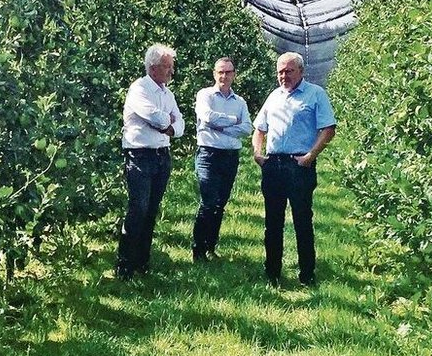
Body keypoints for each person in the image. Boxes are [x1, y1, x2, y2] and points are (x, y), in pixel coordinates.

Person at [252, 52, 336, 287]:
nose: (284, 76)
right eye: (280, 71)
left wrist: (310, 156)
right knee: (273, 222)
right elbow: (259, 128)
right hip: (274, 165)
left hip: (299, 166)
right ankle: (272, 273)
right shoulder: (274, 96)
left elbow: (328, 129)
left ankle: (307, 274)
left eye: (289, 71)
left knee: (302, 220)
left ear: (301, 71)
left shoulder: (315, 94)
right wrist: (258, 153)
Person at [116, 44, 185, 279]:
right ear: (153, 67)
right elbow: (156, 118)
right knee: (138, 208)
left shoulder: (167, 94)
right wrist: (167, 122)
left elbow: (180, 124)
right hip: (140, 156)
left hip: (161, 156)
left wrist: (171, 126)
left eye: (171, 67)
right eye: (167, 67)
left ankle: (142, 263)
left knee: (151, 210)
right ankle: (125, 265)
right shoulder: (139, 89)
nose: (171, 71)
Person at [191, 57, 252, 262]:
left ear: (234, 74)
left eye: (228, 72)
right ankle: (198, 250)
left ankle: (210, 246)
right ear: (214, 74)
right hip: (208, 155)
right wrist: (234, 121)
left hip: (230, 157)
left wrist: (221, 127)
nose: (224, 76)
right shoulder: (205, 95)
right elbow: (208, 117)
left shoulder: (240, 102)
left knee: (220, 204)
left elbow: (247, 128)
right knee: (208, 202)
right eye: (220, 72)